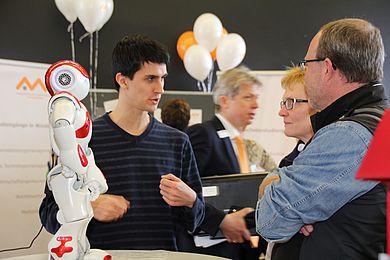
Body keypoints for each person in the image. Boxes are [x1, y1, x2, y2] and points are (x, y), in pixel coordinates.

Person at [39, 34, 205, 251]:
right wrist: (88, 206)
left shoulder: (178, 142)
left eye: (162, 78)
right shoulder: (82, 138)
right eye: (150, 79)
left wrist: (191, 200)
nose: (160, 88)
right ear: (122, 80)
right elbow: (48, 213)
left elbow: (196, 220)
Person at [256, 18, 388, 260]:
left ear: (327, 68)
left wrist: (274, 184)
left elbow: (270, 221)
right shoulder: (377, 120)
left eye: (307, 65)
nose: (305, 75)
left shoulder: (349, 134)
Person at [181, 66, 274, 259]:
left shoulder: (238, 142)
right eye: (248, 97)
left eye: (257, 98)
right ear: (224, 100)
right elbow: (183, 191)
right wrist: (221, 220)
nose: (256, 105)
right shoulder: (203, 134)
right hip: (206, 250)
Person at [260, 67, 316, 259]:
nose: (281, 112)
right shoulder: (292, 158)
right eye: (283, 102)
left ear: (318, 102)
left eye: (291, 103)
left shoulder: (326, 160)